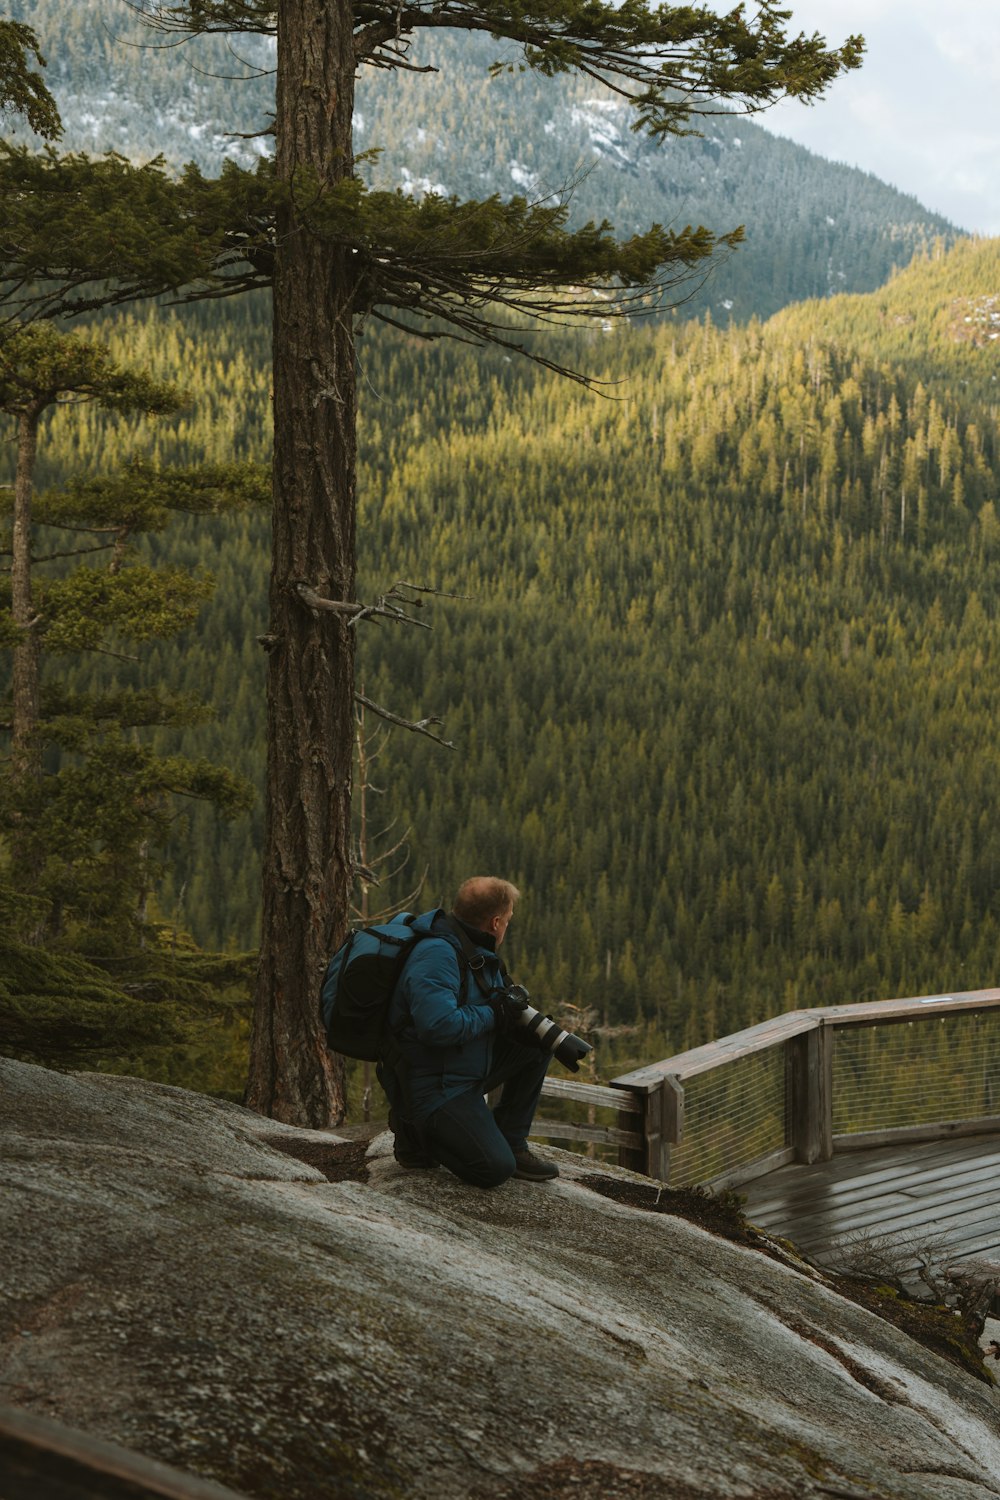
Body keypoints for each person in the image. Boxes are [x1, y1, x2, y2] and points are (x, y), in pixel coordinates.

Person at [378, 876, 559, 1187]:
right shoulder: (438, 954)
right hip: (432, 1086)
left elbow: (486, 1014)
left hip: (463, 1069)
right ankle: (413, 1131)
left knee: (537, 1043)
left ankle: (512, 1142)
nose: (507, 926)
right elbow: (438, 1026)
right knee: (493, 1168)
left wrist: (522, 1025)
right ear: (496, 922)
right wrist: (494, 1013)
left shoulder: (475, 951)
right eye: (509, 919)